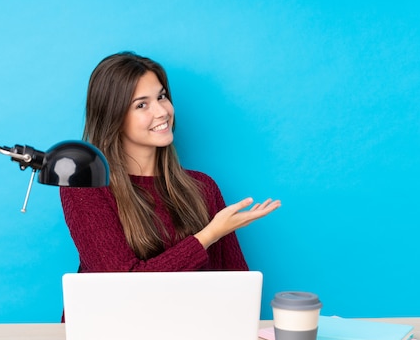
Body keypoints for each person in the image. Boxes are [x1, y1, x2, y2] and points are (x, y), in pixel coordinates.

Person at [60, 52, 280, 273]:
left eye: (162, 97)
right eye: (141, 105)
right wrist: (210, 234)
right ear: (113, 117)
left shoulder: (203, 188)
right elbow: (122, 283)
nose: (162, 112)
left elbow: (237, 282)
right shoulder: (86, 187)